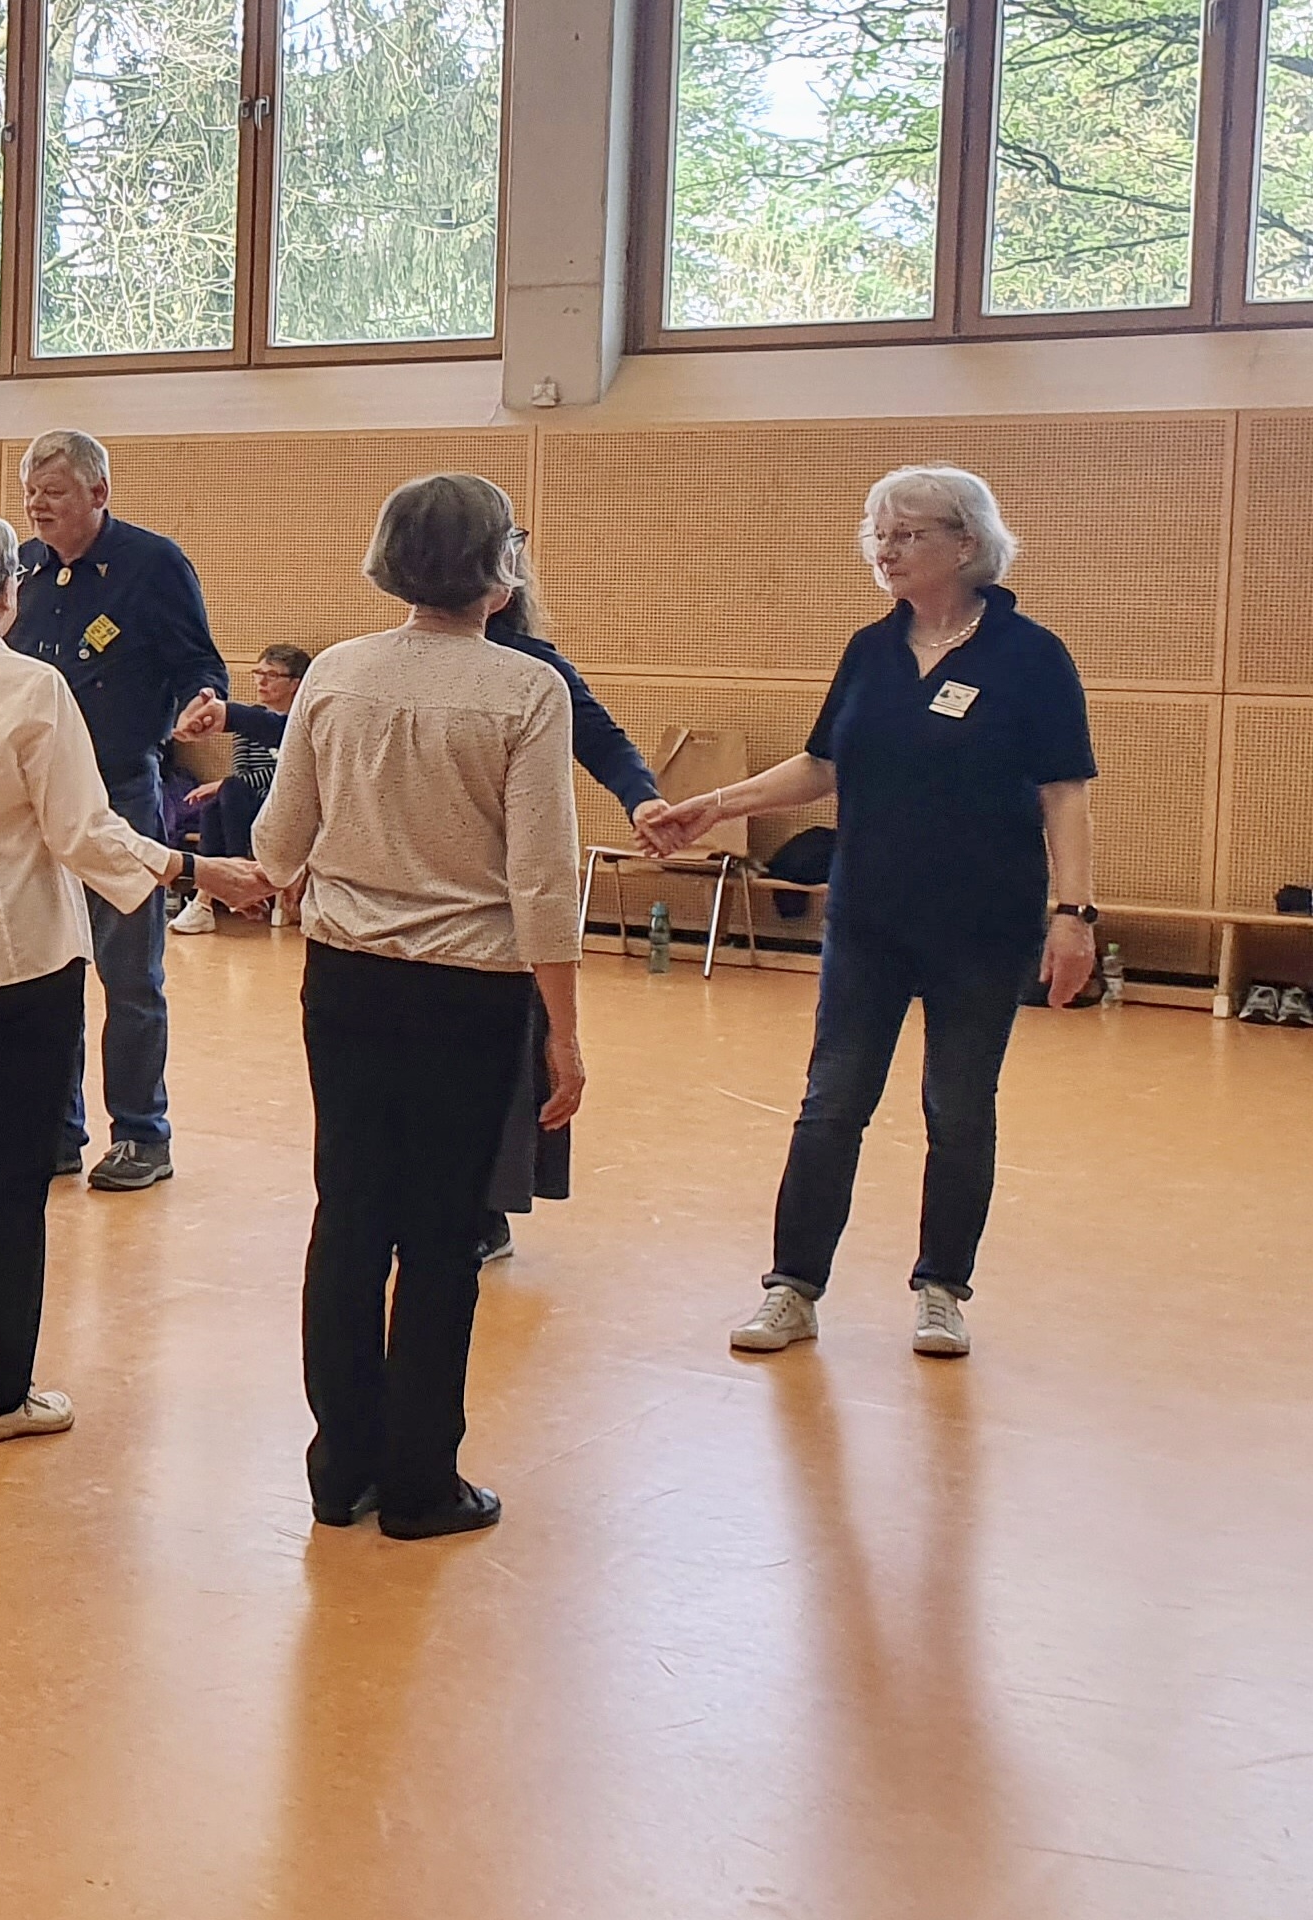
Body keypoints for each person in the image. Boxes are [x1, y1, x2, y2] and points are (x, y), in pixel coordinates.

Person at [0, 513, 267, 1442]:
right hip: (18, 964)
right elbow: (82, 832)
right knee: (14, 1178)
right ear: (7, 594)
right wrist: (195, 869)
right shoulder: (33, 688)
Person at [643, 465, 1097, 1361]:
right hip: (869, 918)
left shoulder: (1031, 656)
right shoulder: (870, 649)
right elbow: (825, 766)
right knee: (830, 1101)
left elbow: (1064, 792)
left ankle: (940, 1290)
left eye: (908, 533)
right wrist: (718, 805)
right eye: (877, 532)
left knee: (959, 1109)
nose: (885, 549)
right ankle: (792, 1289)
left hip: (983, 923)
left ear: (965, 544)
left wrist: (1073, 912)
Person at [250, 473, 585, 1543]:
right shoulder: (526, 690)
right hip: (471, 992)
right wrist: (565, 1031)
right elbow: (542, 878)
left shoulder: (337, 675)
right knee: (443, 1234)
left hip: (346, 978)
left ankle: (336, 1466)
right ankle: (420, 1481)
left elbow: (276, 840)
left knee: (346, 1215)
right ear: (497, 570)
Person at [10, 428, 230, 1190]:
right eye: (31, 493)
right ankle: (57, 1127)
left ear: (99, 494)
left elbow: (201, 662)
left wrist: (207, 702)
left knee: (129, 975)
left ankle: (141, 1133)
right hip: (35, 800)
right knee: (49, 970)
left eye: (55, 492)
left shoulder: (152, 564)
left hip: (121, 790)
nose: (38, 505)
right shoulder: (23, 569)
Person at [471, 574, 680, 1262]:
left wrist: (641, 800)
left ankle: (484, 1211)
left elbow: (606, 742)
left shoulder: (536, 669)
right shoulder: (391, 660)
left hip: (501, 893)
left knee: (505, 1052)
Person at [166, 640, 309, 936]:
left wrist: (221, 784)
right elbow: (242, 772)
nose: (262, 681)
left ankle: (210, 894)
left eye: (272, 675)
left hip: (283, 805)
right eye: (258, 673)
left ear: (295, 683)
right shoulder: (250, 723)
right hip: (245, 803)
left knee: (227, 792)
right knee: (221, 800)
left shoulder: (302, 723)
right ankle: (225, 877)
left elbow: (291, 776)